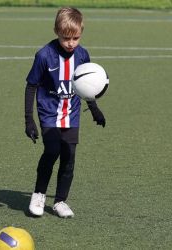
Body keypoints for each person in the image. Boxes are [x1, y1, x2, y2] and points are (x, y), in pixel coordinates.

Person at [24, 7, 106, 218]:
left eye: (75, 38)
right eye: (65, 38)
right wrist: (29, 120)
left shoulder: (83, 55)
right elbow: (31, 85)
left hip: (73, 113)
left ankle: (60, 200)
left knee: (69, 157)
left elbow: (86, 85)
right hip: (49, 113)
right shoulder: (44, 55)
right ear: (56, 31)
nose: (71, 43)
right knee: (52, 151)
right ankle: (39, 194)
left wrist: (95, 109)